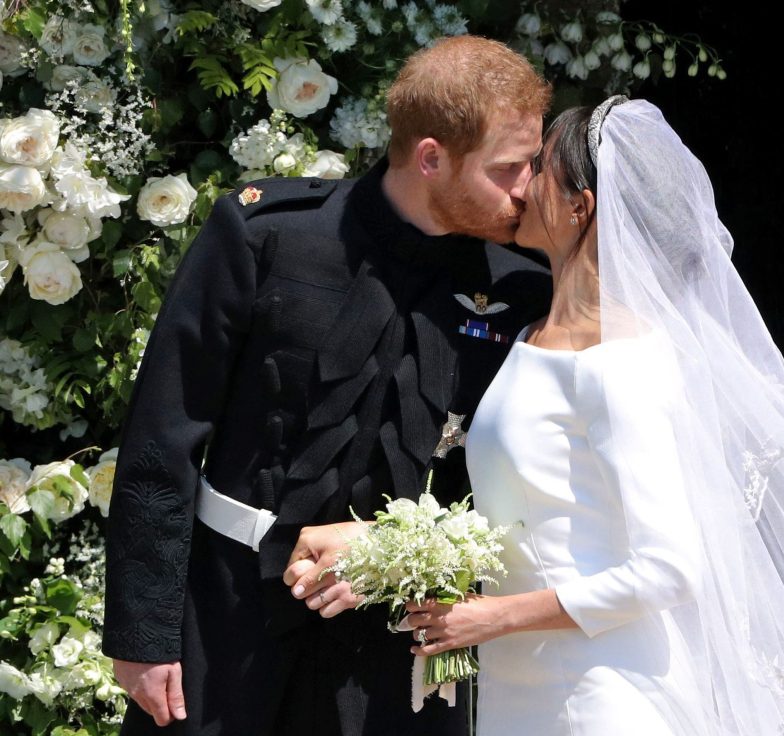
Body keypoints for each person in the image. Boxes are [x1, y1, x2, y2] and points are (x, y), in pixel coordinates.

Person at [301, 98, 784, 735]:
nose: (520, 184)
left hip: (607, 693)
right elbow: (539, 512)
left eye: (539, 170)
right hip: (522, 689)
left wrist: (495, 616)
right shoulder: (532, 336)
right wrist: (378, 549)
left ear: (579, 207)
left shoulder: (622, 360)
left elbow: (668, 569)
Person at [101, 35, 552, 735]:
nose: (527, 187)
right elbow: (164, 434)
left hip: (399, 652)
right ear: (431, 158)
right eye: (508, 168)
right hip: (227, 621)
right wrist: (142, 632)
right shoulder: (268, 237)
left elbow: (516, 478)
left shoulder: (520, 287)